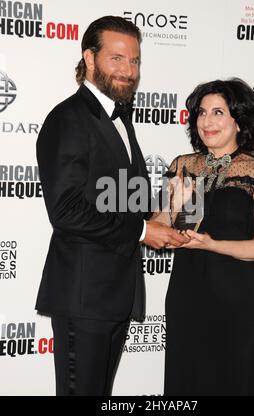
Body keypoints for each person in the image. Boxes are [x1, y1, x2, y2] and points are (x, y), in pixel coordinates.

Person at [35, 15, 187, 396]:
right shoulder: (69, 119)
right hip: (84, 297)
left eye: (134, 61)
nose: (128, 70)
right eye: (117, 58)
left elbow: (123, 206)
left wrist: (171, 204)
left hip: (116, 296)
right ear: (89, 58)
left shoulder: (121, 120)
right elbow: (67, 210)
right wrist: (142, 230)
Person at [153, 78, 254, 395]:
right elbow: (161, 229)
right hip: (186, 298)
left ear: (239, 120)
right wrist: (172, 206)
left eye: (218, 112)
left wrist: (213, 244)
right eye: (201, 113)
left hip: (236, 302)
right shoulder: (183, 166)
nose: (206, 121)